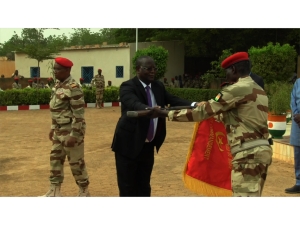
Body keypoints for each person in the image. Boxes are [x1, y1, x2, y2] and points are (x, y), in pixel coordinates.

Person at [151, 52, 273, 197]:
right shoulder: (258, 89)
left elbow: (201, 112)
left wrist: (165, 113)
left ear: (233, 70)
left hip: (247, 155)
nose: (226, 75)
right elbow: (237, 116)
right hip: (261, 151)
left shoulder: (236, 89)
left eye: (226, 71)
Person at [111, 55, 196, 197]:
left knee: (144, 185)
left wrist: (194, 104)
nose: (152, 72)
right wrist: (150, 109)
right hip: (128, 144)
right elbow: (133, 103)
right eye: (148, 69)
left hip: (148, 145)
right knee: (127, 187)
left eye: (154, 69)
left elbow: (172, 100)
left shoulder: (158, 86)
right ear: (138, 69)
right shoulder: (128, 86)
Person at [40, 57, 90, 197]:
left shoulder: (74, 88)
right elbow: (56, 109)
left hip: (71, 131)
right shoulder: (57, 85)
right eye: (54, 69)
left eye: (58, 69)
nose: (55, 71)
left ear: (67, 70)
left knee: (75, 162)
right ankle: (54, 191)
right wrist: (52, 127)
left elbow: (78, 114)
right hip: (58, 130)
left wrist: (74, 135)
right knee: (55, 160)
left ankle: (84, 191)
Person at [285, 77, 300, 193]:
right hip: (298, 122)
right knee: (298, 153)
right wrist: (296, 115)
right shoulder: (298, 82)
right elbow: (293, 99)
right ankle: (299, 182)